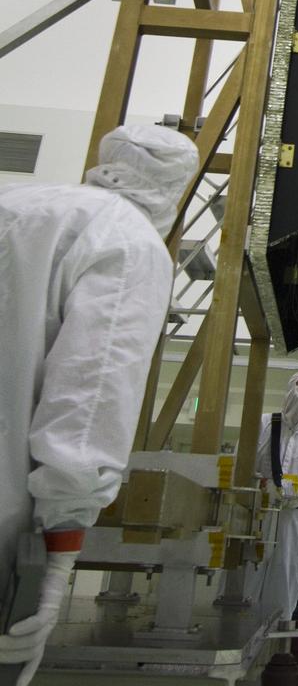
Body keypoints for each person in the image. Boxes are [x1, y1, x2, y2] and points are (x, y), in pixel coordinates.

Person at [0, 123, 199, 685]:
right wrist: (56, 565)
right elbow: (87, 407)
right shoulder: (129, 244)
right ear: (174, 189)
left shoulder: (13, 201)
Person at [245, 373, 298, 621]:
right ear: (289, 389)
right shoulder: (263, 423)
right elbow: (241, 468)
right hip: (256, 519)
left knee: (286, 585)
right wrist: (261, 487)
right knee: (245, 580)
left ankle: (274, 649)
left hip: (295, 523)